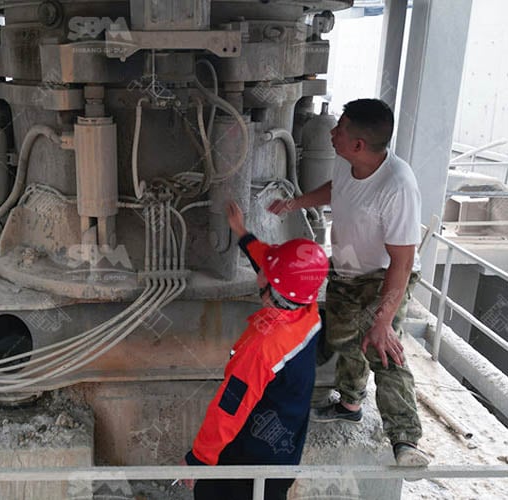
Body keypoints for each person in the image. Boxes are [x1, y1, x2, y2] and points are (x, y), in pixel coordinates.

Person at [268, 98, 430, 466]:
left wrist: (384, 319)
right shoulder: (348, 162)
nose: (332, 133)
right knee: (343, 336)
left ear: (358, 144)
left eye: (339, 130)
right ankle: (350, 403)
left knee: (382, 348)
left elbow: (402, 262)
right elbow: (336, 189)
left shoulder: (398, 186)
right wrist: (298, 203)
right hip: (347, 270)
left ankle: (406, 440)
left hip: (383, 276)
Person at [183, 200, 329, 499]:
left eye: (266, 274)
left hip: (248, 465)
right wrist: (241, 232)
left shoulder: (264, 347)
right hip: (284, 455)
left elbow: (230, 408)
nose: (259, 273)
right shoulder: (307, 308)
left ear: (274, 289)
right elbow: (269, 264)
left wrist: (199, 459)